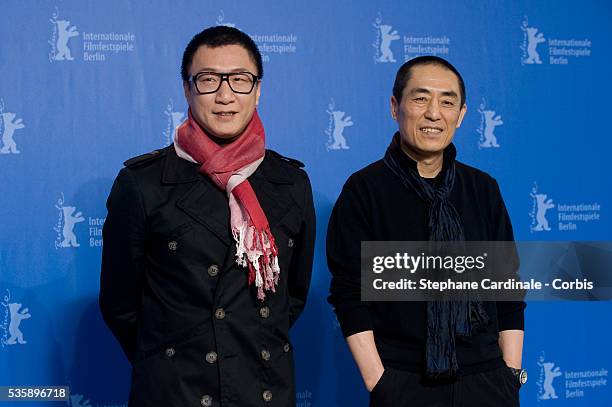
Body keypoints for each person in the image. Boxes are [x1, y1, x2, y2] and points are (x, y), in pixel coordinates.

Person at [100, 26, 316, 407]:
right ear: (187, 89)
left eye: (239, 80)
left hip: (263, 387)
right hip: (176, 391)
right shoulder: (143, 183)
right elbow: (120, 305)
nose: (225, 95)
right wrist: (171, 363)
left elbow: (292, 298)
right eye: (208, 80)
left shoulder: (290, 182)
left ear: (258, 89)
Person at [327, 56, 526, 406]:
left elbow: (506, 285)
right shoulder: (365, 190)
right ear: (395, 107)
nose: (434, 113)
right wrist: (380, 381)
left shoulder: (482, 189)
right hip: (404, 383)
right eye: (420, 98)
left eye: (447, 102)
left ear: (461, 115)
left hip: (487, 381)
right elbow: (350, 293)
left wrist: (510, 374)